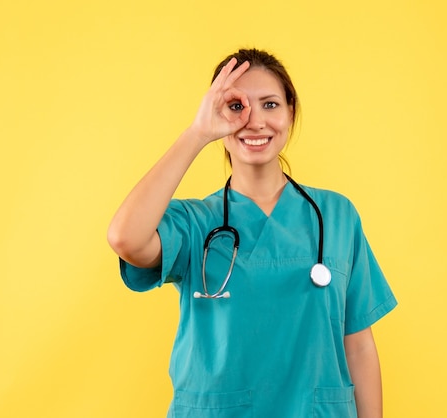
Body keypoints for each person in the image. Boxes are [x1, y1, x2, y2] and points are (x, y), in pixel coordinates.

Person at [107, 48, 397, 418]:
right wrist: (197, 134)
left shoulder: (337, 215)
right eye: (235, 106)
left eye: (270, 105)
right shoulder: (194, 223)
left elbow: (357, 345)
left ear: (291, 112)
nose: (255, 121)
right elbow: (125, 238)